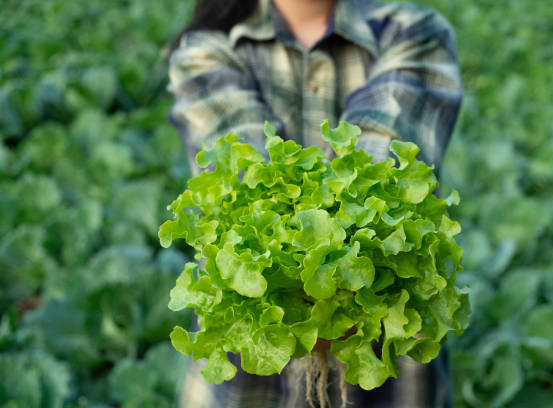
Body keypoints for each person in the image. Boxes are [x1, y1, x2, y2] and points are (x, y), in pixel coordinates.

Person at [166, 0, 462, 406]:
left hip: (389, 382)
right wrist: (318, 286)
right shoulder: (205, 51)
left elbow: (384, 165)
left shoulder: (413, 31)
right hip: (249, 386)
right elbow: (243, 175)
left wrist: (327, 280)